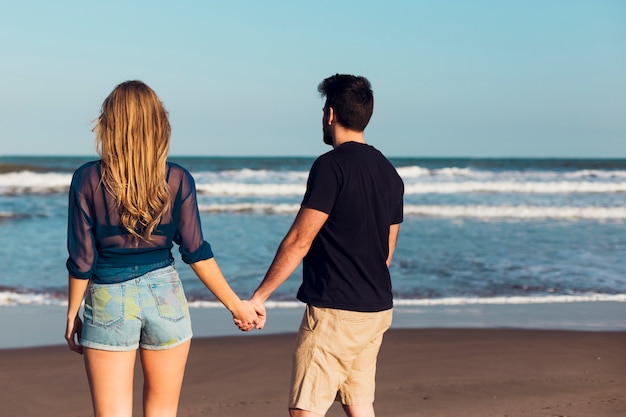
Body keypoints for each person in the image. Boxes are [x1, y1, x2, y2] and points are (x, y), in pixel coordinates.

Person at [64, 80, 259, 417]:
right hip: (166, 297)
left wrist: (71, 314)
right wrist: (236, 306)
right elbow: (196, 251)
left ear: (109, 124)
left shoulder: (87, 179)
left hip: (109, 299)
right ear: (158, 124)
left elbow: (83, 259)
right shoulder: (177, 179)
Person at [248, 74, 404, 417]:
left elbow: (299, 239)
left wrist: (259, 297)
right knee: (359, 401)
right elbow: (387, 251)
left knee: (306, 408)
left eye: (323, 110)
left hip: (336, 313)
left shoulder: (330, 167)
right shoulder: (390, 173)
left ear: (330, 114)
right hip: (376, 309)